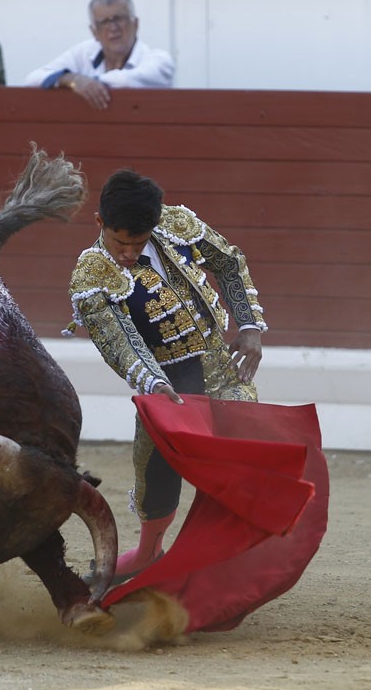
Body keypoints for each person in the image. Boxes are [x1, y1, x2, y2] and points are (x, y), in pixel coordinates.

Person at [67, 169, 266, 583]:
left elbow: (228, 263)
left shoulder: (175, 224)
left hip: (223, 367)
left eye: (138, 243)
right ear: (99, 223)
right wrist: (155, 385)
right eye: (121, 243)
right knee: (158, 466)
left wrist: (248, 327)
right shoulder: (92, 275)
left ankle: (223, 549)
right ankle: (148, 553)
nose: (128, 252)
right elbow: (120, 343)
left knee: (242, 454)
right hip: (169, 382)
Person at [24, 0, 174, 110]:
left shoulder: (159, 60)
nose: (113, 28)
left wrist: (84, 83)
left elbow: (125, 81)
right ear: (94, 32)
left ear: (135, 24)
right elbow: (32, 79)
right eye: (104, 22)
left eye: (119, 19)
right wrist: (72, 80)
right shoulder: (84, 51)